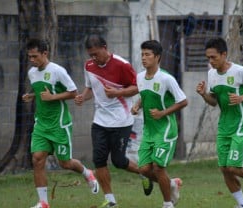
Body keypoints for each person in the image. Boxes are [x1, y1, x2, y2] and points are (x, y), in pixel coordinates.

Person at [74, 34, 152, 208]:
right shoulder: (89, 66)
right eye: (90, 55)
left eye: (96, 53)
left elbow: (137, 87)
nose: (94, 58)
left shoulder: (122, 65)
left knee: (119, 161)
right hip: (99, 122)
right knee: (99, 160)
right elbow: (90, 88)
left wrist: (118, 93)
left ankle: (143, 173)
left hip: (121, 122)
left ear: (105, 47)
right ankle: (111, 201)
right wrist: (82, 97)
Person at [23, 38, 99, 208]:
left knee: (64, 162)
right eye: (29, 57)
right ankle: (43, 202)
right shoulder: (32, 73)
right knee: (37, 159)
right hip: (41, 124)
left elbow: (73, 92)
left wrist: (53, 98)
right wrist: (32, 95)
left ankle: (87, 173)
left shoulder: (58, 71)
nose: (32, 60)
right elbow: (41, 91)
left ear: (45, 53)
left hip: (59, 125)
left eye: (35, 56)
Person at [196, 37, 243, 208]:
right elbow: (214, 102)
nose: (211, 61)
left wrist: (242, 97)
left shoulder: (239, 71)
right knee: (224, 169)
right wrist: (204, 94)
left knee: (234, 167)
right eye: (208, 58)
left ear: (224, 54)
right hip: (224, 127)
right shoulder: (211, 74)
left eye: (213, 57)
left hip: (241, 126)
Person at [131, 40, 187, 208]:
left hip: (165, 130)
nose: (144, 58)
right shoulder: (140, 77)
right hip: (149, 130)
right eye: (142, 54)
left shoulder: (166, 78)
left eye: (148, 54)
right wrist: (137, 105)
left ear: (157, 57)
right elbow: (144, 94)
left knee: (157, 167)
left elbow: (183, 101)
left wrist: (163, 113)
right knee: (143, 169)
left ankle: (167, 203)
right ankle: (171, 184)